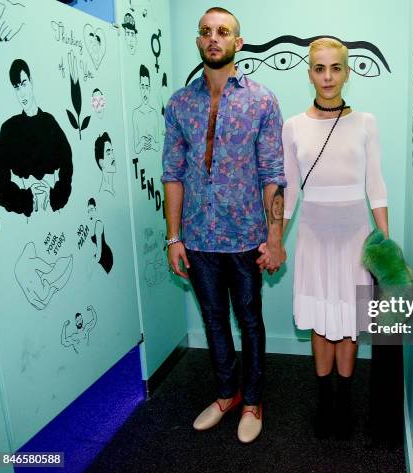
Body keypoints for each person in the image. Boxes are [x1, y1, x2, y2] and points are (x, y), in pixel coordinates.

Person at [161, 7, 286, 444]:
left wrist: (275, 239)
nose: (214, 38)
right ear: (199, 42)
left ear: (238, 42)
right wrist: (173, 237)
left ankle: (252, 400)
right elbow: (172, 174)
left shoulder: (262, 100)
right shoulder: (179, 103)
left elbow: (273, 173)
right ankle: (225, 394)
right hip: (197, 239)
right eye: (206, 32)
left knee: (249, 320)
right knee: (214, 319)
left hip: (246, 238)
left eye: (224, 32)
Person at [282, 38, 388, 439]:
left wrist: (385, 246)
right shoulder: (293, 126)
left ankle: (344, 401)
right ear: (309, 72)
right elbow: (289, 192)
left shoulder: (367, 122)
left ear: (347, 72)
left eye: (335, 68)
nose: (327, 77)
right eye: (319, 68)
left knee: (348, 322)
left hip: (355, 234)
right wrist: (275, 238)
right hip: (312, 233)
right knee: (321, 323)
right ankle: (325, 400)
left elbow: (375, 185)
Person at [0, 59, 73, 217]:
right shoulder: (10, 128)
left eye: (23, 84)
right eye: (16, 87)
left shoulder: (50, 122)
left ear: (31, 82)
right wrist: (24, 199)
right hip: (26, 216)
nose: (21, 93)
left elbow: (67, 162)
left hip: (54, 210)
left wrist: (55, 196)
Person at [132, 65, 159, 153]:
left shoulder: (154, 113)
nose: (145, 92)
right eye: (143, 87)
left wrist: (152, 144)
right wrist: (142, 143)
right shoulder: (135, 114)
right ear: (140, 88)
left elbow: (158, 146)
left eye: (147, 87)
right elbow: (136, 149)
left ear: (150, 89)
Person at [88, 198, 113, 274]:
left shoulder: (98, 224)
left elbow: (99, 250)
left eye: (92, 209)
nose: (90, 212)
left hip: (105, 256)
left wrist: (92, 265)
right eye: (89, 211)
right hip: (99, 254)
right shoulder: (92, 223)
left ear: (95, 209)